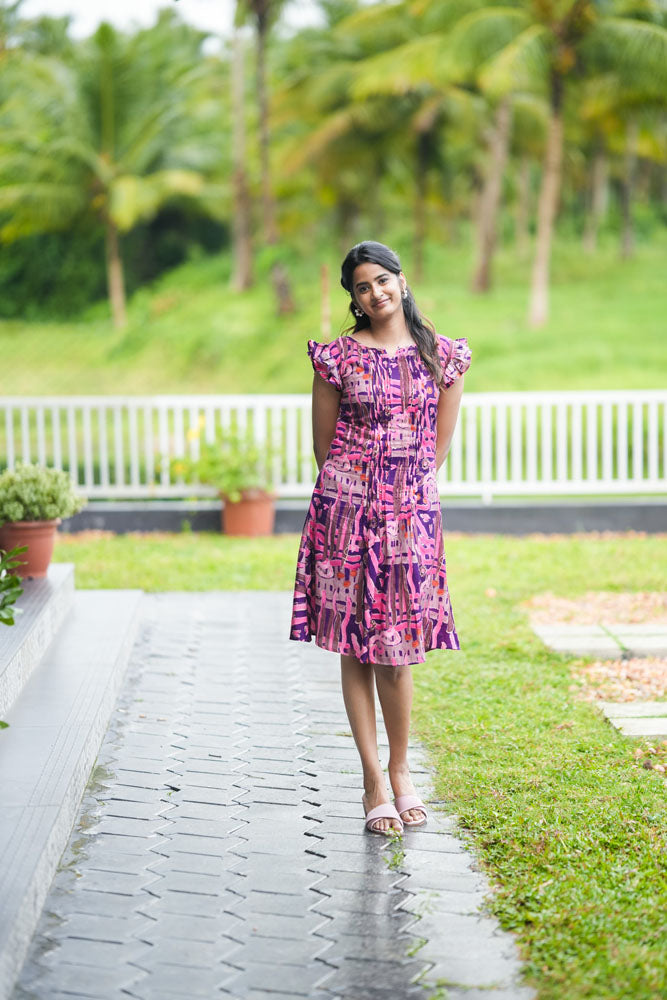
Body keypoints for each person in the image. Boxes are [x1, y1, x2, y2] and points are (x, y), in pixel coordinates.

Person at [289, 240, 471, 835]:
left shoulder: (442, 355)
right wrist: (354, 497)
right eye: (362, 287)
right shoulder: (338, 358)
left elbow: (438, 446)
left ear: (401, 280)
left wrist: (407, 493)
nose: (376, 293)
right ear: (355, 298)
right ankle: (372, 779)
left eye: (382, 280)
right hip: (346, 511)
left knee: (396, 650)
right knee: (355, 645)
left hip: (409, 515)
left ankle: (401, 771)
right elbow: (324, 445)